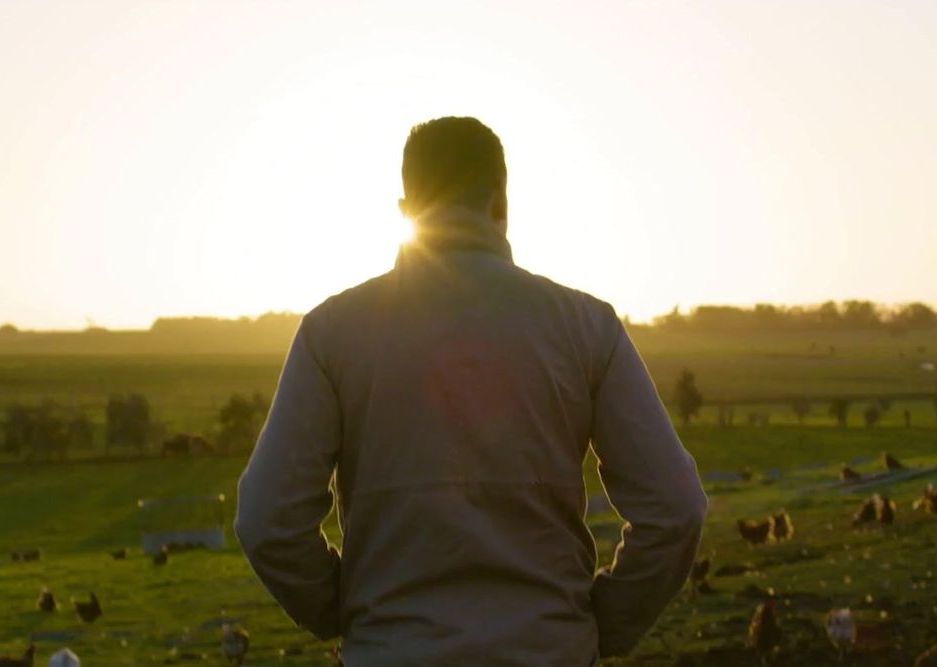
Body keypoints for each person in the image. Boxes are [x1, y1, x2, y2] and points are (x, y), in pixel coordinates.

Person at [235, 116, 707, 666]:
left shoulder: (331, 333)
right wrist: (602, 628)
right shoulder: (586, 327)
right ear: (501, 202)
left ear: (405, 211)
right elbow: (677, 510)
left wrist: (344, 613)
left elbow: (267, 518)